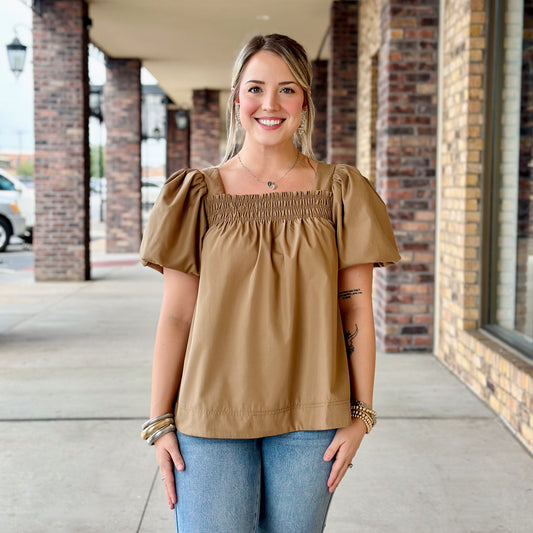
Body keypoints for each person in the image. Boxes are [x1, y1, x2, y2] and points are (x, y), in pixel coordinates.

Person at [139, 33, 400, 533]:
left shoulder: (341, 191)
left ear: (305, 100)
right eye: (256, 88)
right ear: (237, 97)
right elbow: (177, 315)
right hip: (209, 417)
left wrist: (361, 414)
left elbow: (356, 310)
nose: (270, 104)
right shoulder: (195, 195)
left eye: (287, 89)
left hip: (312, 417)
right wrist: (159, 422)